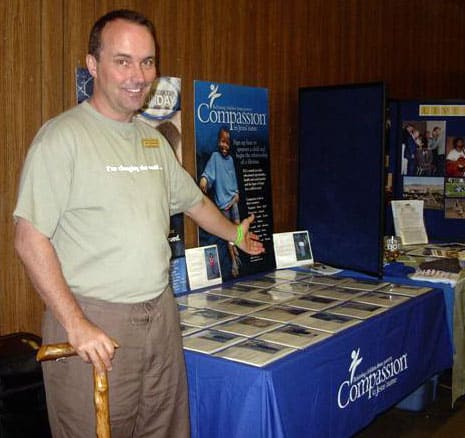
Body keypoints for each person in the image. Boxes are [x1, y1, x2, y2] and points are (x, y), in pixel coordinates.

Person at [13, 9, 264, 438]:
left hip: (161, 317)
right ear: (93, 65)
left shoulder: (151, 140)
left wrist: (234, 233)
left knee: (164, 429)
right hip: (94, 322)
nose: (138, 75)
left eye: (147, 62)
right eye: (123, 60)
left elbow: (194, 202)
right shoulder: (62, 138)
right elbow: (28, 237)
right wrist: (75, 323)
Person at [199, 127, 241, 277]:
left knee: (238, 231)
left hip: (233, 201)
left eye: (228, 143)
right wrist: (204, 180)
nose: (225, 146)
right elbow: (208, 175)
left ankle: (237, 254)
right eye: (223, 142)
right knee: (229, 233)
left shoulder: (230, 160)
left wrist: (236, 194)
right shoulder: (215, 158)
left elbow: (234, 180)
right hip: (223, 204)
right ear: (218, 142)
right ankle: (234, 261)